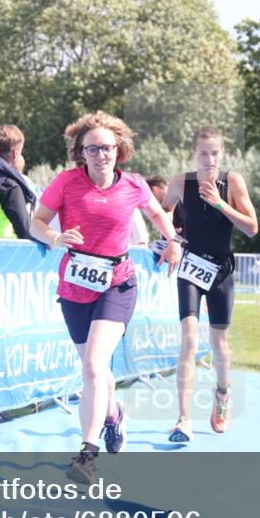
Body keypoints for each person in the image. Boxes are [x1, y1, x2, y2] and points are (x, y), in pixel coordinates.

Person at [29, 111, 181, 484]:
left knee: (96, 365)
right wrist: (55, 238)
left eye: (107, 148)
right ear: (81, 153)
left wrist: (173, 242)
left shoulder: (133, 184)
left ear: (120, 149)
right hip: (75, 286)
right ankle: (113, 416)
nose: (101, 155)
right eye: (92, 149)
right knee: (95, 371)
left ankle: (87, 456)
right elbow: (37, 222)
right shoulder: (66, 183)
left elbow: (159, 215)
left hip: (118, 283)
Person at [161, 126, 258, 442]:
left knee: (219, 343)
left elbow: (252, 228)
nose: (209, 159)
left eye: (215, 153)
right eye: (203, 152)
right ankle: (183, 419)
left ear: (222, 153)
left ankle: (222, 395)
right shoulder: (179, 183)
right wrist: (172, 240)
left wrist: (220, 204)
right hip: (190, 267)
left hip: (221, 271)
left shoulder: (232, 182)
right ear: (193, 153)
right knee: (189, 338)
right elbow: (162, 215)